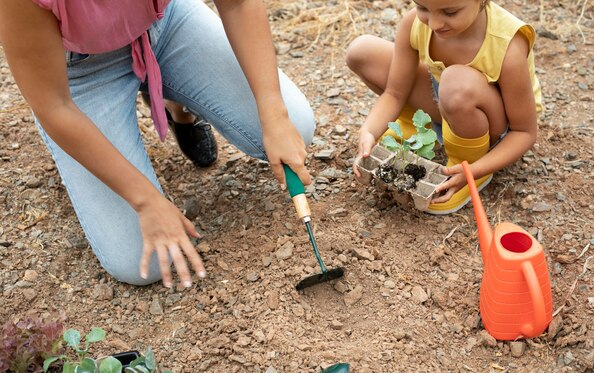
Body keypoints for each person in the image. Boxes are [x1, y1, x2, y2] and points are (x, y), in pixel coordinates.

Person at [0, 0, 315, 288]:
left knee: (295, 127)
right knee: (142, 261)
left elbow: (238, 4)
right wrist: (146, 201)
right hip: (80, 71)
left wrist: (273, 111)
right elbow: (55, 105)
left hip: (164, 22)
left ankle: (173, 99)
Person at [346, 0, 542, 214]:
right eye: (422, 8)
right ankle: (422, 128)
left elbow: (524, 132)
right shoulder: (415, 23)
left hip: (495, 126)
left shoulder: (507, 45)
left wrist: (472, 171)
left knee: (455, 83)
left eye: (450, 12)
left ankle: (467, 161)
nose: (435, 24)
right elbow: (395, 92)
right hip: (447, 99)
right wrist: (370, 131)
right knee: (361, 51)